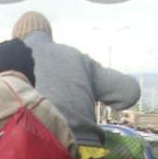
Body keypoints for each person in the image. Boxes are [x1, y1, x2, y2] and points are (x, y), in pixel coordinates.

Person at [11, 11, 140, 148]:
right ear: (49, 34)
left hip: (34, 152)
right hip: (87, 153)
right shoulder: (77, 58)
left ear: (16, 37)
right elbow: (130, 92)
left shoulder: (10, 60)